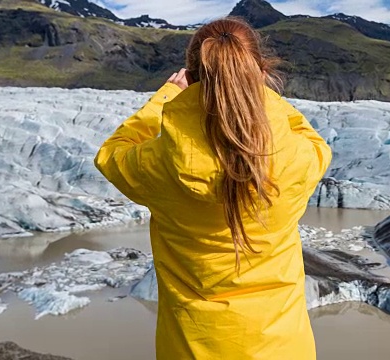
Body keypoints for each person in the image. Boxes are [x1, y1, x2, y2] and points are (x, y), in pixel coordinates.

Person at [94, 16, 332, 360]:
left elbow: (111, 152)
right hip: (283, 349)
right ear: (261, 73)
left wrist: (166, 98)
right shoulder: (296, 159)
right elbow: (315, 142)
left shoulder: (160, 164)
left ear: (190, 78)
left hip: (192, 348)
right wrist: (255, 93)